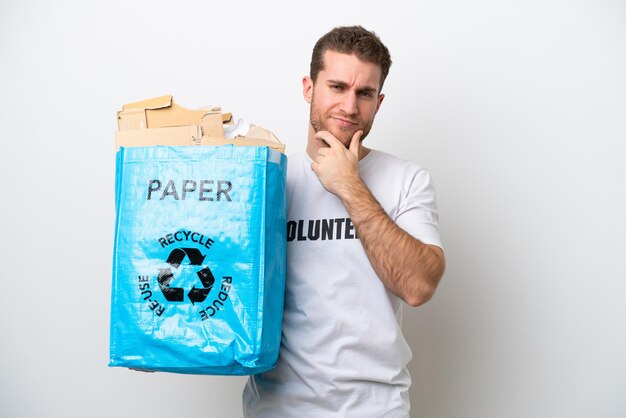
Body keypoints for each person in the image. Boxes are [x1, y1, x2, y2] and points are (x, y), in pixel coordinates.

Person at [243, 25, 445, 417]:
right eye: (337, 87)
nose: (350, 107)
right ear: (308, 88)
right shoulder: (269, 182)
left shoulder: (407, 179)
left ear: (378, 102)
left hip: (374, 408)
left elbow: (419, 286)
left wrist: (350, 186)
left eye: (364, 93)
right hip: (277, 408)